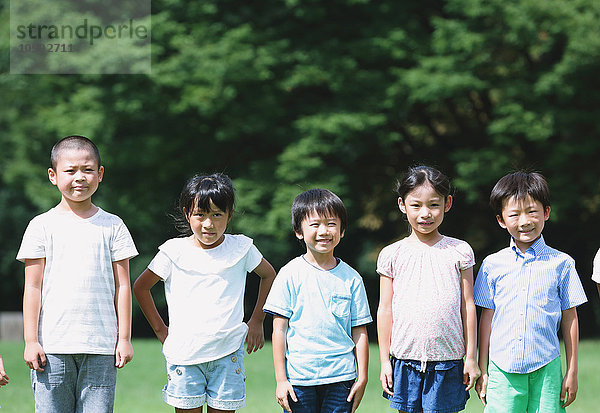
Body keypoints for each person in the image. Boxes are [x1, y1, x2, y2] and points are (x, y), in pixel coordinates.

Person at [133, 173, 277, 413]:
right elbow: (141, 286)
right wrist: (161, 330)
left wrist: (257, 320)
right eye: (200, 214)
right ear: (187, 213)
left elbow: (269, 275)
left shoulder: (241, 248)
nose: (208, 224)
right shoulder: (173, 251)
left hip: (228, 353)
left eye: (217, 215)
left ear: (229, 215)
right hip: (184, 356)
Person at [17, 135, 138, 413]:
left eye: (87, 170)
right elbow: (32, 288)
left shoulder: (113, 226)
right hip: (52, 346)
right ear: (53, 175)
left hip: (101, 346)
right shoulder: (40, 226)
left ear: (100, 174)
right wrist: (31, 340)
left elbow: (123, 287)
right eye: (70, 171)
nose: (79, 178)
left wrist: (124, 338)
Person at [474, 171, 588, 412]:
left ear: (546, 212)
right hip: (502, 368)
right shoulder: (492, 264)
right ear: (501, 220)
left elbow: (570, 318)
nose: (524, 221)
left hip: (547, 369)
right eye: (514, 214)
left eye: (532, 211)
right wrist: (482, 368)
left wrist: (572, 370)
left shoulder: (562, 263)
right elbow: (487, 318)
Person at [376, 165, 479, 413]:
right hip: (404, 361)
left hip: (448, 361)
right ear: (402, 204)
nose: (426, 213)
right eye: (416, 205)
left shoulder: (460, 251)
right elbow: (385, 309)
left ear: (448, 203)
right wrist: (384, 362)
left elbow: (468, 305)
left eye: (433, 204)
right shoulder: (392, 254)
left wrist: (472, 358)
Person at [264, 188, 372, 413]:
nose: (324, 231)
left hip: (342, 379)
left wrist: (362, 377)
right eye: (315, 224)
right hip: (299, 380)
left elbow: (359, 331)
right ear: (298, 231)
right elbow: (279, 330)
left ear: (342, 231)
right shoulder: (289, 274)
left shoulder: (352, 278)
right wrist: (281, 380)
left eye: (331, 224)